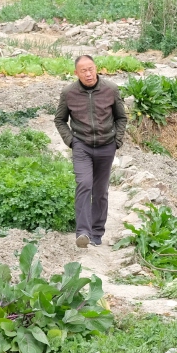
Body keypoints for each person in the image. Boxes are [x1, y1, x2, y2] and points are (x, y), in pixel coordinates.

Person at [55, 55, 127, 249]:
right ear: (76, 73)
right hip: (82, 146)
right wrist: (72, 142)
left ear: (96, 69)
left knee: (101, 190)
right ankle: (83, 232)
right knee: (84, 184)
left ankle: (96, 232)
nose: (88, 74)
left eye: (91, 69)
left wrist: (117, 141)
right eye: (83, 71)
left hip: (106, 146)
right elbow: (60, 120)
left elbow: (121, 117)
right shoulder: (69, 92)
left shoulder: (110, 89)